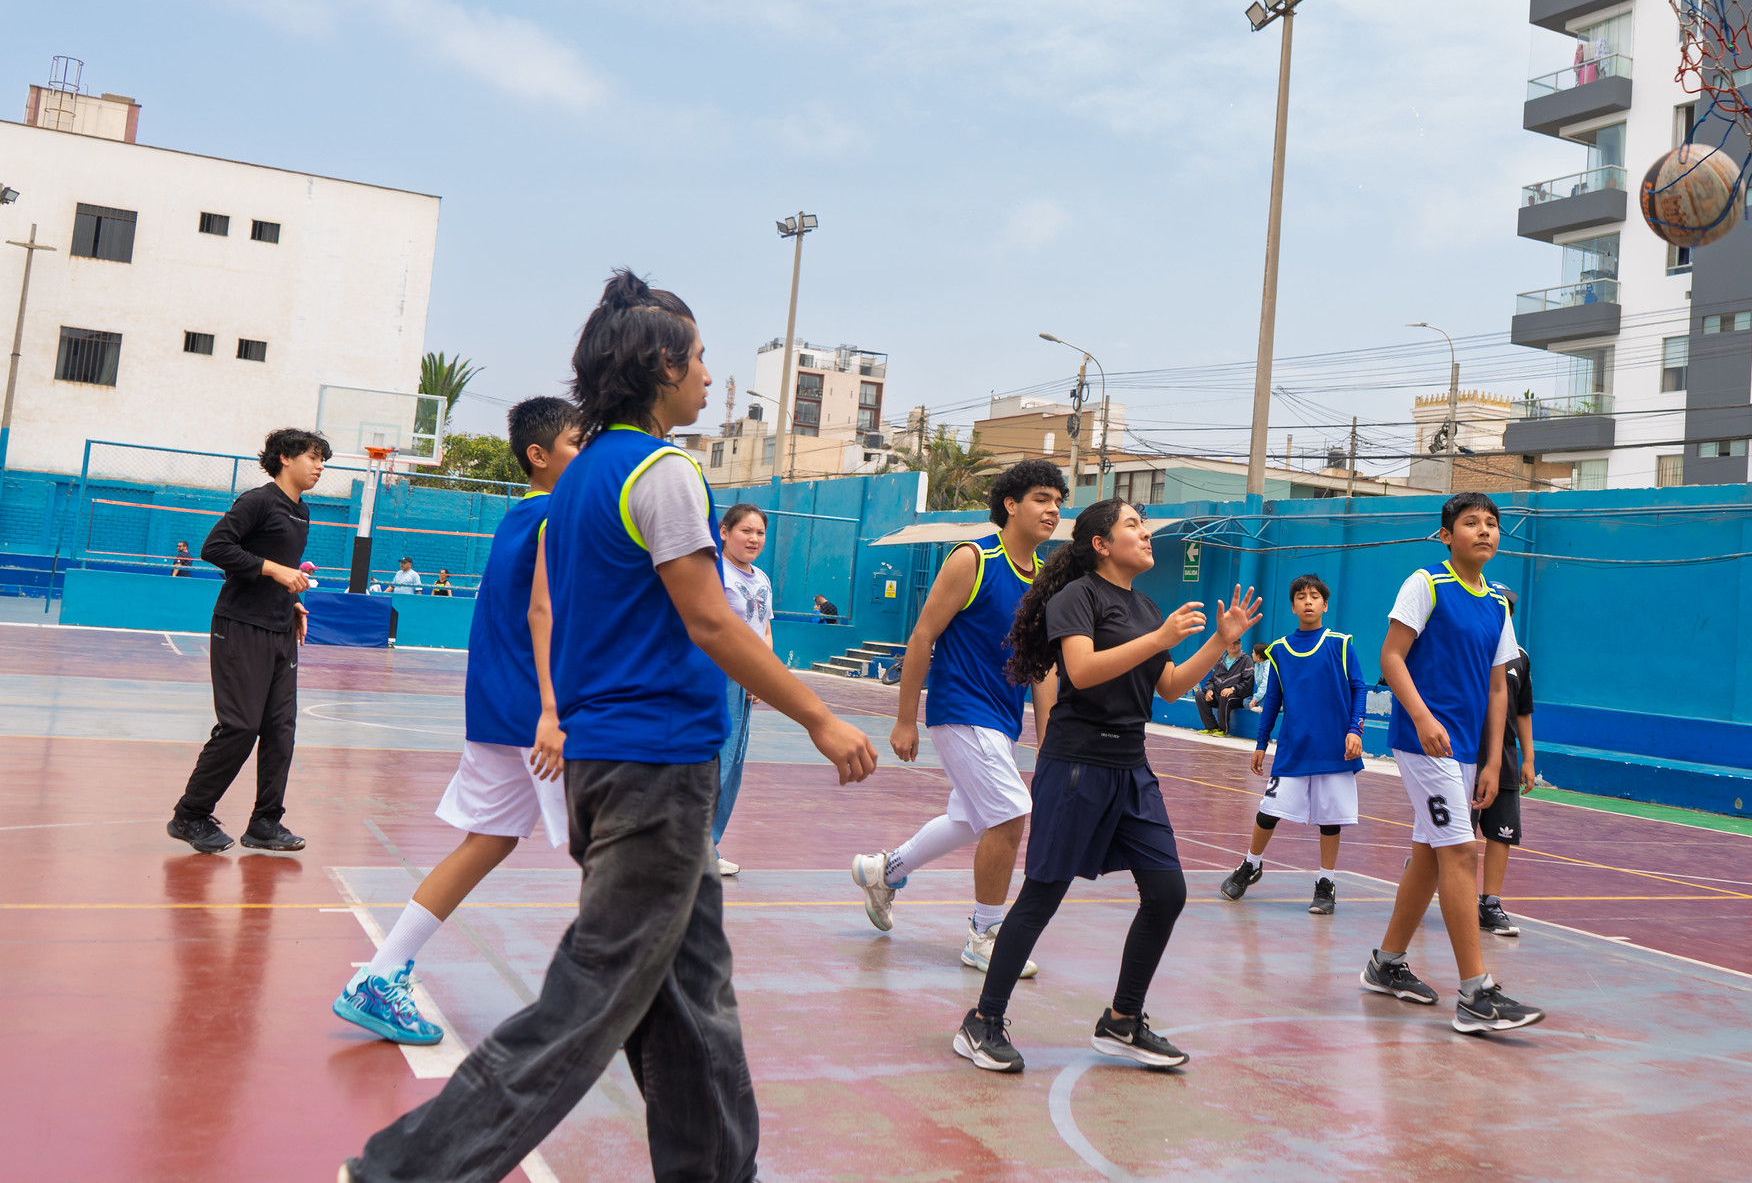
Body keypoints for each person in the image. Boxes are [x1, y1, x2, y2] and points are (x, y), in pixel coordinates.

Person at [344, 269, 876, 1183]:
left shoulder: (582, 475)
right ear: (661, 365)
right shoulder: (663, 473)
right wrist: (821, 717)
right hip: (652, 766)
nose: (708, 374)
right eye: (699, 357)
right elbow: (711, 620)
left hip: (612, 761)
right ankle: (402, 1171)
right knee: (587, 999)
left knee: (692, 995)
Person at [953, 497, 1261, 1075]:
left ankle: (1122, 1020)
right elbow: (1083, 670)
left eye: (1144, 526)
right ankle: (983, 1020)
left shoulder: (1145, 605)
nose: (1146, 534)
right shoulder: (1078, 597)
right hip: (1077, 764)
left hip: (1132, 767)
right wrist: (1160, 637)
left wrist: (1219, 642)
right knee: (1042, 895)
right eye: (1133, 525)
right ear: (1101, 543)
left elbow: (1170, 686)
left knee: (1167, 893)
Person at [333, 397, 581, 1047]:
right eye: (577, 444)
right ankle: (616, 1000)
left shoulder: (518, 516)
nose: (587, 456)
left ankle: (379, 975)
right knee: (617, 845)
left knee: (488, 841)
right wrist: (553, 708)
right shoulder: (557, 517)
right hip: (539, 713)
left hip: (498, 705)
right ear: (539, 455)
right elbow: (546, 615)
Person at [851, 458, 1067, 976]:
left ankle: (885, 871)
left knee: (969, 820)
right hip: (960, 709)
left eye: (1058, 501)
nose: (1053, 510)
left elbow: (1043, 668)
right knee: (1010, 814)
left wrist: (1049, 737)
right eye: (1041, 498)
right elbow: (923, 635)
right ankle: (985, 934)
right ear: (1010, 504)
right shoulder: (973, 559)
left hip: (1001, 719)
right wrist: (906, 718)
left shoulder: (1044, 580)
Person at [1360, 492, 1545, 1036]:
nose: (1484, 530)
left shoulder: (1498, 605)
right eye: (1471, 522)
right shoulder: (1426, 584)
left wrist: (1493, 762)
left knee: (1429, 856)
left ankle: (1386, 964)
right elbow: (1391, 656)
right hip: (1424, 743)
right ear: (1446, 535)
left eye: (1492, 523)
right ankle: (1476, 994)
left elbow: (1498, 687)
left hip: (1466, 750)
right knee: (1461, 852)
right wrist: (1421, 717)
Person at [166, 427, 330, 854]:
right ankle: (190, 815)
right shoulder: (257, 501)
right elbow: (215, 548)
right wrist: (274, 570)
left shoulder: (302, 511)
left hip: (280, 628)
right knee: (241, 725)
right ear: (285, 458)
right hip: (240, 625)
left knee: (280, 729)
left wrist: (291, 600)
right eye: (313, 457)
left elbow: (282, 568)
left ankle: (265, 823)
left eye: (322, 460)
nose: (320, 467)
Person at [1218, 573, 1367, 915]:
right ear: (1292, 606)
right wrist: (1261, 743)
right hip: (1293, 747)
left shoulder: (1340, 644)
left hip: (1334, 748)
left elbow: (1358, 688)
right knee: (1269, 810)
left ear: (1325, 605)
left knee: (1330, 819)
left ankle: (1326, 882)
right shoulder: (1280, 650)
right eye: (1301, 596)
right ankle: (1251, 864)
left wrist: (1355, 730)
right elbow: (1273, 699)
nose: (1308, 601)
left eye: (1315, 596)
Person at [714, 501, 774, 878]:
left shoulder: (762, 579)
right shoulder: (713, 572)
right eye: (745, 531)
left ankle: (708, 845)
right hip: (719, 677)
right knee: (714, 763)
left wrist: (761, 675)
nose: (754, 539)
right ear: (724, 532)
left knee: (733, 768)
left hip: (747, 680)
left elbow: (764, 629)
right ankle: (690, 846)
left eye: (760, 533)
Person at [1477, 584, 1535, 939]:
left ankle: (1490, 903)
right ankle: (1426, 876)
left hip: (1506, 757)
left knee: (1501, 833)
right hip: (1465, 752)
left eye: (1506, 610)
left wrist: (1529, 758)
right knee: (1455, 835)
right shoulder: (1469, 645)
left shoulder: (1520, 658)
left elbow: (1524, 711)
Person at [1192, 636, 1256, 736]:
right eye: (1230, 643)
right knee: (1200, 695)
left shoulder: (1246, 660)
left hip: (1237, 696)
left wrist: (1233, 689)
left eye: (1236, 643)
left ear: (1240, 645)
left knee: (1225, 696)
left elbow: (1248, 683)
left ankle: (1223, 730)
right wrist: (1209, 690)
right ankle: (1211, 727)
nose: (1233, 645)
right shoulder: (1220, 660)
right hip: (1218, 694)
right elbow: (1212, 680)